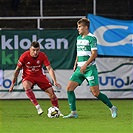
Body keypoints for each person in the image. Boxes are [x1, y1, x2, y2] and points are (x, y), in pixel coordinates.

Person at [63, 18, 117, 118]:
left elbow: (94, 54)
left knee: (95, 93)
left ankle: (112, 107)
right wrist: (76, 63)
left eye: (80, 27)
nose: (78, 29)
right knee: (69, 89)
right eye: (78, 26)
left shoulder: (92, 38)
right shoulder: (79, 38)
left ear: (86, 27)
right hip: (80, 68)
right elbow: (79, 53)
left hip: (89, 69)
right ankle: (73, 112)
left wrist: (85, 65)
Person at [9, 41, 63, 116]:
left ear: (39, 49)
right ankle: (38, 107)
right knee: (26, 85)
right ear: (30, 50)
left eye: (37, 50)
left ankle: (57, 111)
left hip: (40, 76)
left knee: (52, 94)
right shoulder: (24, 56)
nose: (35, 52)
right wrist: (13, 83)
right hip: (28, 76)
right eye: (33, 50)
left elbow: (49, 68)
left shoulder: (42, 55)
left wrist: (55, 81)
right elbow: (17, 70)